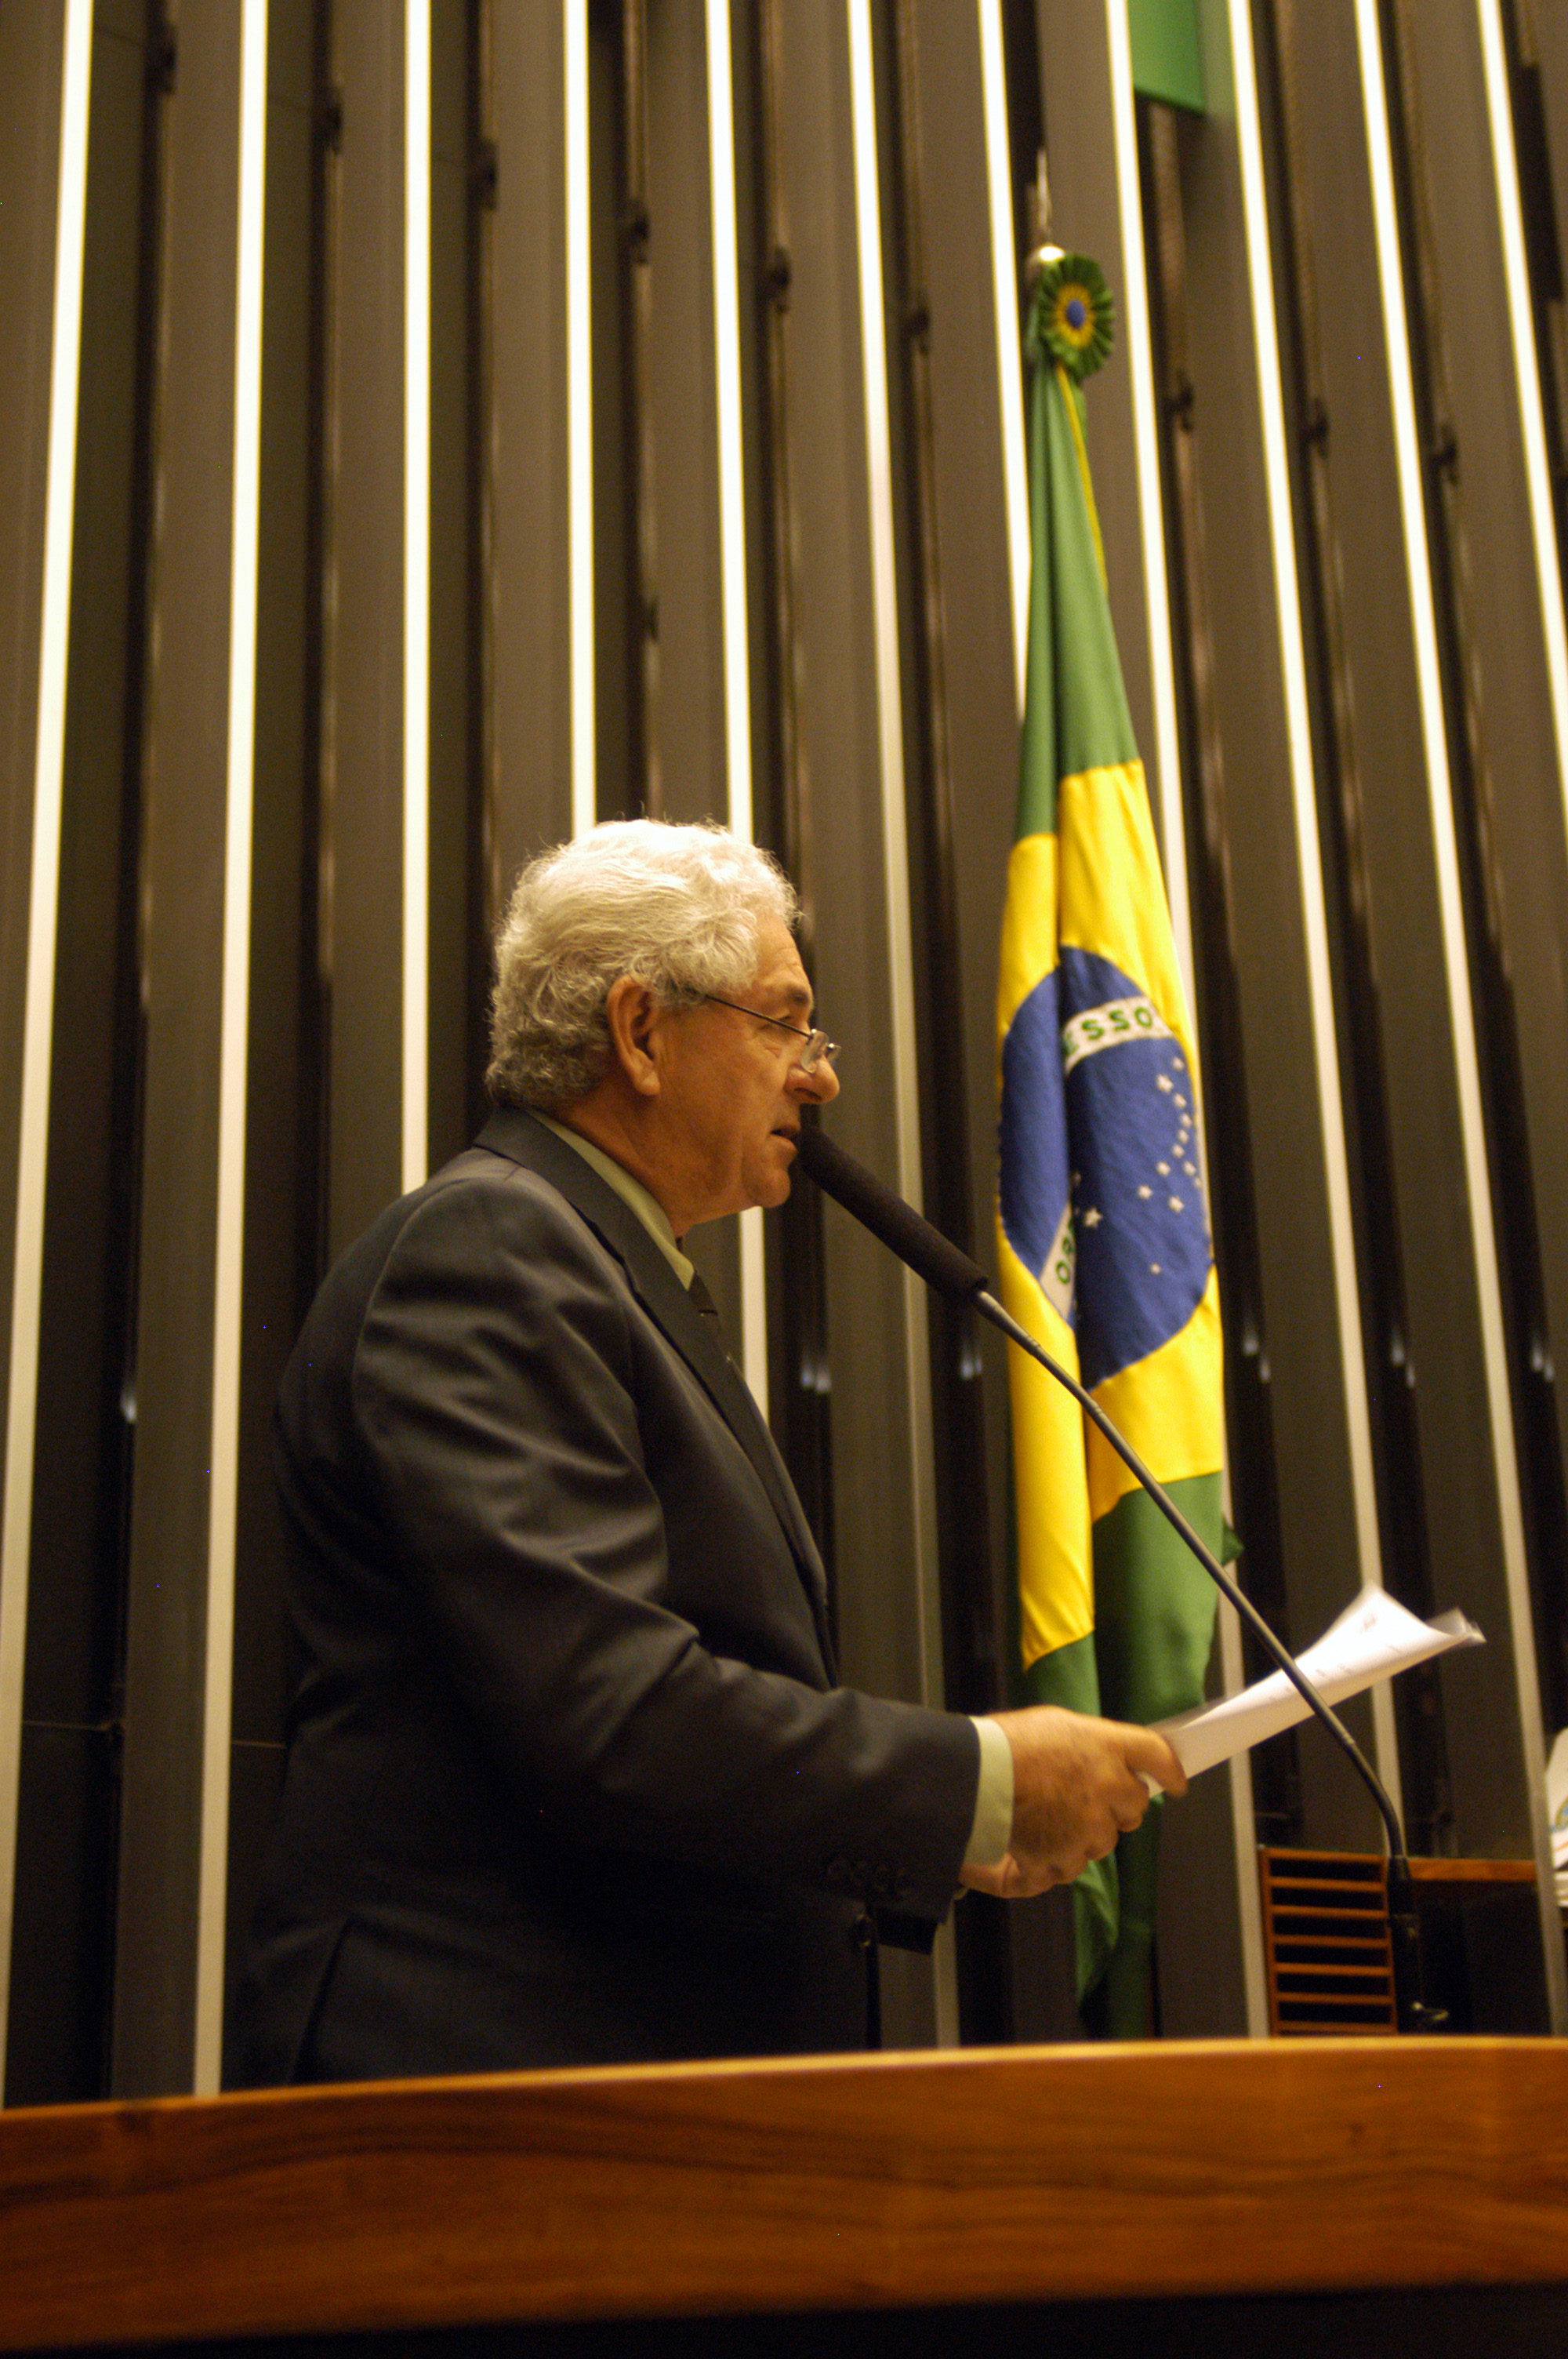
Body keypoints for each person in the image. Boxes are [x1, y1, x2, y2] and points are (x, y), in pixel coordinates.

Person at [235, 821, 1182, 2083]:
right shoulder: (491, 1255)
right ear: (641, 1031)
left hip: (608, 2075)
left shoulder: (598, 1266)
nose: (820, 1079)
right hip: (490, 2084)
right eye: (785, 1024)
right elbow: (612, 1716)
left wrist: (949, 1832)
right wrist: (978, 1781)